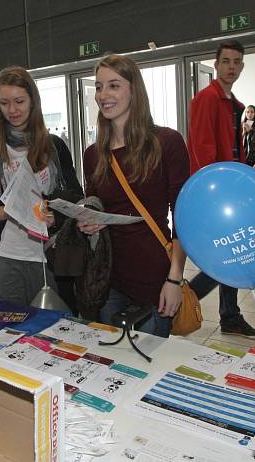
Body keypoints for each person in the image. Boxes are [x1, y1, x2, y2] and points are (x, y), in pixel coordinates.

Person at [77, 54, 189, 337]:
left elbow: (184, 218)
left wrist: (174, 280)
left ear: (134, 90)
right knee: (111, 367)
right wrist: (86, 221)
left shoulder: (167, 143)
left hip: (155, 279)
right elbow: (94, 204)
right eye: (99, 87)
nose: (103, 95)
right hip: (109, 279)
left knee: (149, 368)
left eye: (114, 85)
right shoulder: (94, 155)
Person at [0, 66, 83, 306]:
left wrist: (55, 214)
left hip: (51, 259)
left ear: (33, 101)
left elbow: (76, 197)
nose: (12, 110)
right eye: (4, 103)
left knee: (53, 333)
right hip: (5, 258)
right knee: (9, 332)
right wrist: (5, 212)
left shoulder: (54, 147)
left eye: (19, 101)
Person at [186, 40, 255, 339]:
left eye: (237, 62)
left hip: (231, 190)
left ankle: (228, 315)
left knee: (231, 254)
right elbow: (202, 146)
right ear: (216, 65)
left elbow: (235, 151)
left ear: (241, 67)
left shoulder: (234, 105)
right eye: (226, 61)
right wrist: (213, 191)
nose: (232, 67)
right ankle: (180, 302)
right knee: (227, 257)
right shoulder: (206, 99)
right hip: (216, 192)